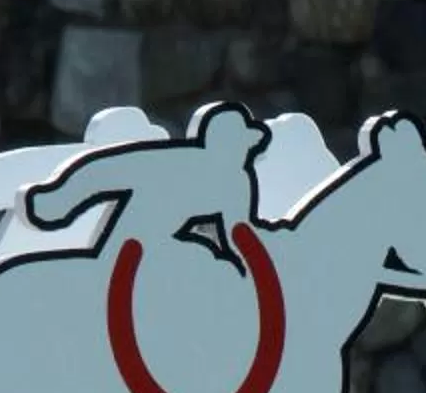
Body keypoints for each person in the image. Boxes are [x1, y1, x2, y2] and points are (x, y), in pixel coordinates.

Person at [22, 99, 267, 268]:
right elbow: (108, 169)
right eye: (231, 143)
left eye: (240, 144)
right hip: (137, 234)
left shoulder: (237, 182)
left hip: (172, 250)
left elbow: (240, 234)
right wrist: (57, 198)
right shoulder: (177, 161)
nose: (237, 152)